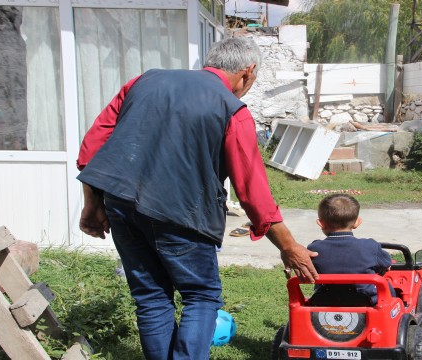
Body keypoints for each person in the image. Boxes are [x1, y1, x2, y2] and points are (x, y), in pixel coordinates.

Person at [75, 37, 318, 360]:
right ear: (248, 72)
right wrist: (288, 246)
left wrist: (92, 202)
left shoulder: (143, 81)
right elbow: (251, 190)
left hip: (120, 203)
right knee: (200, 296)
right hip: (181, 214)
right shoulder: (232, 109)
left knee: (150, 296)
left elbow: (94, 143)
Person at [307, 194, 393, 306]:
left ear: (321, 223)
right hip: (365, 301)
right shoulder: (370, 246)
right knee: (387, 287)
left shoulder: (314, 249)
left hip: (324, 300)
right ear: (357, 222)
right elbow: (386, 265)